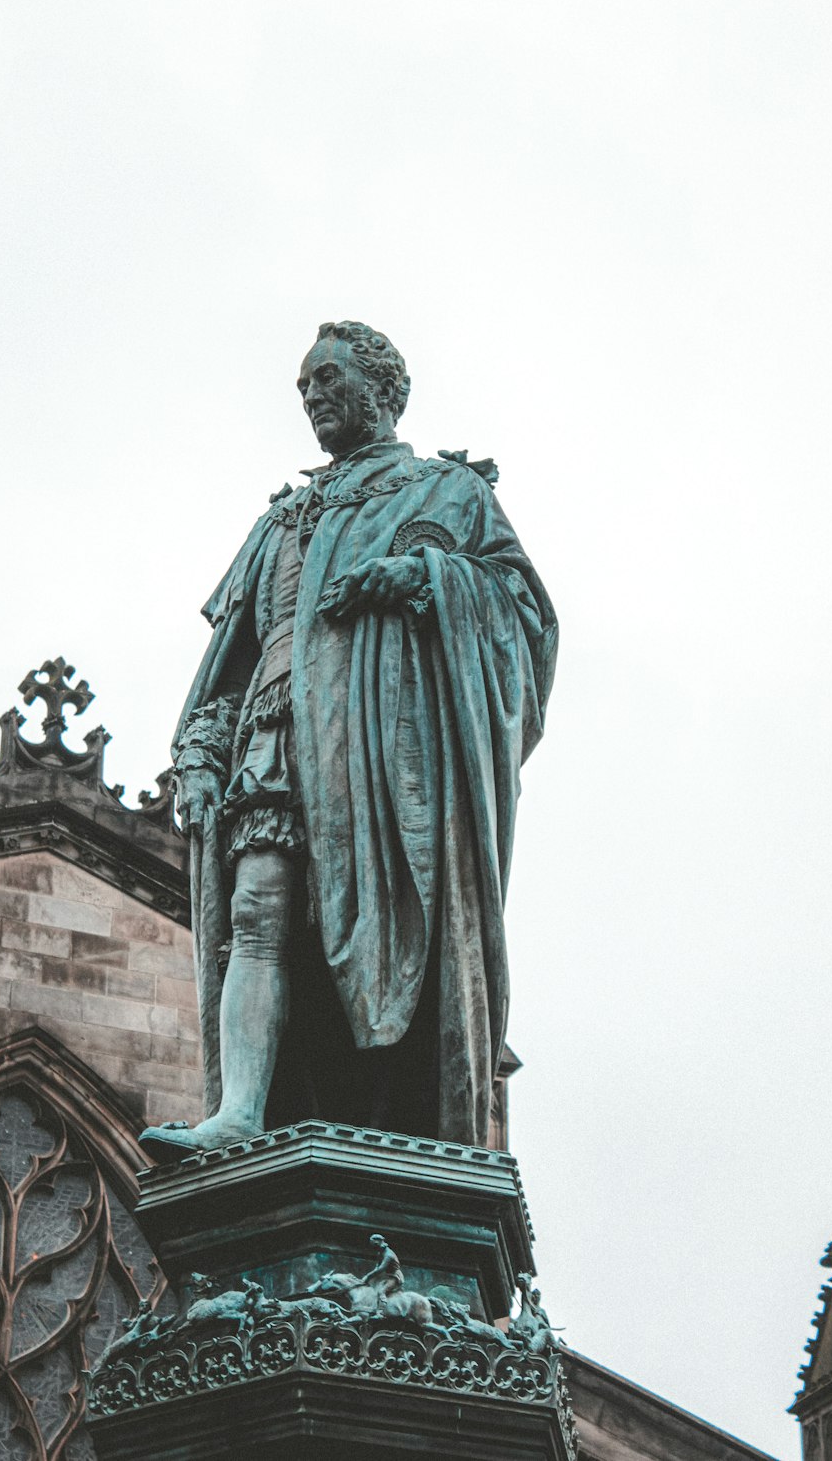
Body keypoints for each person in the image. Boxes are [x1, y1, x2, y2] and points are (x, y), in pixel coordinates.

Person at [139, 321, 557, 1158]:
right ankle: (240, 1114)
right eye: (303, 386)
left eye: (327, 378)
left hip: (379, 761)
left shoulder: (446, 493)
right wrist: (194, 756)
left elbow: (525, 618)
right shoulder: (281, 521)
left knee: (374, 937)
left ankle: (385, 1117)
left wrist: (423, 578)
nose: (312, 396)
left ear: (382, 387)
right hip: (275, 732)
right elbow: (227, 666)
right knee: (256, 914)